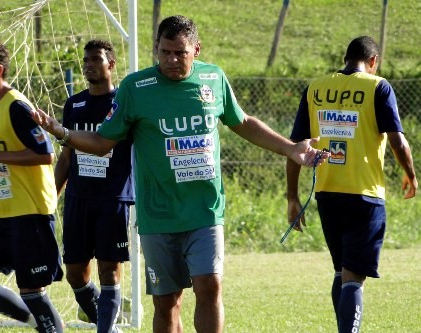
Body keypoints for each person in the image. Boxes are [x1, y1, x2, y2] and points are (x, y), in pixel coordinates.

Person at [33, 15, 329, 333]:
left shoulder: (214, 79)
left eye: (180, 53)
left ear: (196, 49)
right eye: (165, 52)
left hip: (205, 210)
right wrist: (62, 132)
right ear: (156, 50)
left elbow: (242, 123)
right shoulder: (135, 88)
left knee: (210, 287)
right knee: (167, 302)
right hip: (157, 216)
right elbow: (103, 141)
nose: (172, 60)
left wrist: (291, 148)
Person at [286, 35, 417, 333]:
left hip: (327, 193)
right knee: (354, 277)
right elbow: (397, 140)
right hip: (365, 195)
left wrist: (292, 197)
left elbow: (295, 146)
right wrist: (410, 173)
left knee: (341, 272)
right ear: (373, 62)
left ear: (346, 59)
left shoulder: (316, 88)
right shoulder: (378, 86)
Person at [0, 38, 64, 333]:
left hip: (30, 211)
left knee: (32, 291)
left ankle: (47, 325)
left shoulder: (17, 106)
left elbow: (46, 153)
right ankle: (38, 323)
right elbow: (3, 153)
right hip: (1, 211)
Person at [55, 39, 134, 333]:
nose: (88, 65)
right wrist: (51, 195)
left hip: (112, 199)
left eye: (95, 60)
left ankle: (106, 330)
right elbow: (66, 157)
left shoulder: (123, 104)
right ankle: (108, 323)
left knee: (109, 270)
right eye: (85, 60)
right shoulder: (74, 105)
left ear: (110, 64)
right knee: (75, 272)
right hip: (78, 198)